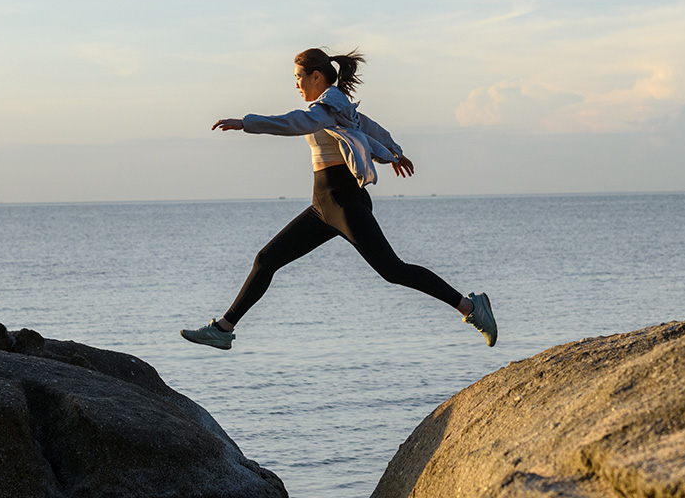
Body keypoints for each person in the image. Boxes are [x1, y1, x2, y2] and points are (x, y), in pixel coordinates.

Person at [180, 47, 497, 350]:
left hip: (344, 202)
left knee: (393, 270)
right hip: (323, 206)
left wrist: (246, 123)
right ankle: (224, 329)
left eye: (299, 76)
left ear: (316, 76)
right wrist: (395, 153)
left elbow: (296, 123)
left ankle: (471, 307)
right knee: (267, 259)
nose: (296, 83)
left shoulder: (326, 107)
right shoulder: (336, 105)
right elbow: (368, 127)